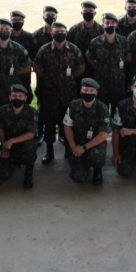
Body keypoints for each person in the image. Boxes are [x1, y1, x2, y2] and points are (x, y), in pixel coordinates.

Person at [33, 22, 85, 165]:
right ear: (52, 34)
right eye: (56, 31)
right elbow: (36, 66)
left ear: (66, 32)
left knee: (68, 122)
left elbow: (81, 67)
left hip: (68, 94)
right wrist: (47, 78)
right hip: (50, 94)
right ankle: (49, 151)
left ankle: (69, 149)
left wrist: (70, 79)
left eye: (62, 31)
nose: (59, 33)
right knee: (49, 124)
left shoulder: (74, 49)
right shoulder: (44, 49)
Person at [63, 78, 110, 185]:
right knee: (78, 177)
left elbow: (104, 133)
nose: (88, 93)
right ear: (80, 91)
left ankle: (97, 171)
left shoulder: (102, 108)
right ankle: (84, 164)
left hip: (95, 144)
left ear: (96, 92)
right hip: (78, 143)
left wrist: (85, 148)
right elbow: (67, 126)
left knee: (96, 156)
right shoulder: (73, 105)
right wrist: (73, 146)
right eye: (85, 90)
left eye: (91, 91)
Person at [0, 84, 38, 189]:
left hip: (23, 144)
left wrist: (12, 141)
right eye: (14, 96)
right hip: (8, 146)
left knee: (31, 145)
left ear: (25, 98)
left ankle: (29, 174)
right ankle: (13, 161)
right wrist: (4, 145)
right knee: (3, 176)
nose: (17, 98)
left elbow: (31, 134)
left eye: (20, 96)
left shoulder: (32, 112)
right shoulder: (3, 110)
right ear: (10, 97)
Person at [86, 13, 128, 115]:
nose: (110, 25)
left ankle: (114, 131)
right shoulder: (95, 42)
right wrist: (99, 68)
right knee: (101, 112)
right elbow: (90, 58)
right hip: (101, 83)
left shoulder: (123, 41)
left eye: (113, 23)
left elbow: (128, 58)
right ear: (102, 25)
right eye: (107, 23)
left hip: (118, 83)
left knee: (117, 113)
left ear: (117, 25)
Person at [30, 5, 59, 144]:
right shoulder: (36, 35)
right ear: (43, 16)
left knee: (61, 105)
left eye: (53, 15)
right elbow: (33, 59)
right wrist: (41, 74)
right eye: (48, 14)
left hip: (60, 80)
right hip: (43, 78)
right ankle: (40, 131)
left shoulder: (62, 31)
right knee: (42, 105)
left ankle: (62, 134)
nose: (50, 17)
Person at [67, 1, 104, 79]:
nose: (88, 13)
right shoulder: (74, 29)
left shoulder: (100, 30)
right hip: (77, 67)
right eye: (85, 11)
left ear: (95, 13)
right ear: (81, 12)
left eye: (90, 11)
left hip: (94, 67)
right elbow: (68, 47)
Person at [9, 10, 34, 101]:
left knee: (25, 99)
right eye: (14, 19)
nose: (17, 22)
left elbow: (32, 58)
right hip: (7, 77)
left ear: (23, 21)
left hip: (24, 76)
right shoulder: (6, 36)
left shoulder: (29, 37)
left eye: (19, 19)